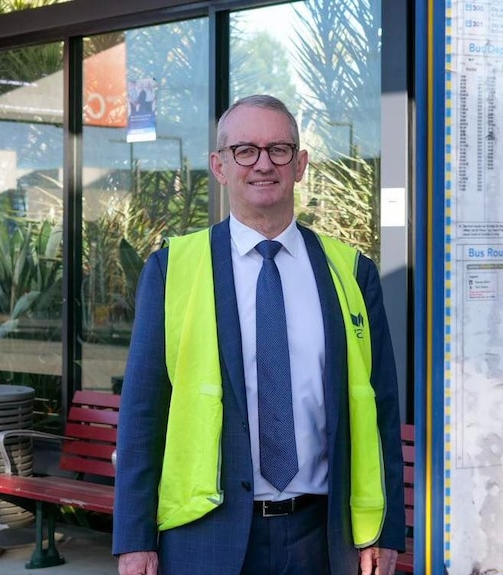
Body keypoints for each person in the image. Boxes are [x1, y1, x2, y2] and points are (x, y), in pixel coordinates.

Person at [112, 94, 405, 575]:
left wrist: (385, 529)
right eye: (245, 150)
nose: (263, 163)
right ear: (219, 166)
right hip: (205, 536)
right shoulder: (172, 270)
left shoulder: (352, 273)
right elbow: (144, 413)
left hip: (326, 539)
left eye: (279, 149)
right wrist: (135, 540)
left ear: (301, 164)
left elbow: (382, 411)